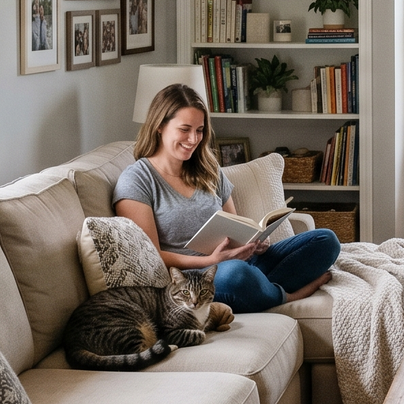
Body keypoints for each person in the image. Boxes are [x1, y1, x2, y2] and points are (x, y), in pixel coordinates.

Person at [115, 83, 340, 313]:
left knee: (326, 240)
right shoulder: (137, 180)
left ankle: (259, 289)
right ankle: (285, 296)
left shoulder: (208, 168)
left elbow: (234, 227)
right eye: (185, 129)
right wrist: (211, 260)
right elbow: (151, 255)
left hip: (240, 262)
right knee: (237, 275)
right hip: (199, 281)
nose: (193, 139)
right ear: (160, 126)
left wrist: (253, 243)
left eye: (200, 130)